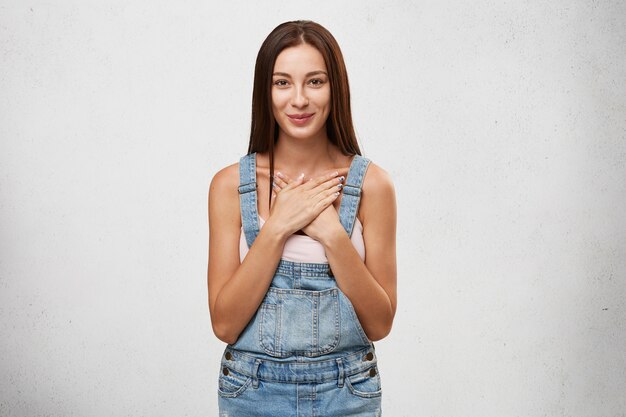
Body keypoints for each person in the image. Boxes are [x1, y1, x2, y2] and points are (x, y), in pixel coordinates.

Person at [207, 20, 397, 416]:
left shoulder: (372, 186)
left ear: (335, 88)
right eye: (282, 83)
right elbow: (224, 324)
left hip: (347, 394)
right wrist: (277, 227)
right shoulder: (229, 186)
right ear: (265, 91)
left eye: (314, 82)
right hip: (252, 393)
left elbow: (379, 324)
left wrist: (332, 234)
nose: (298, 100)